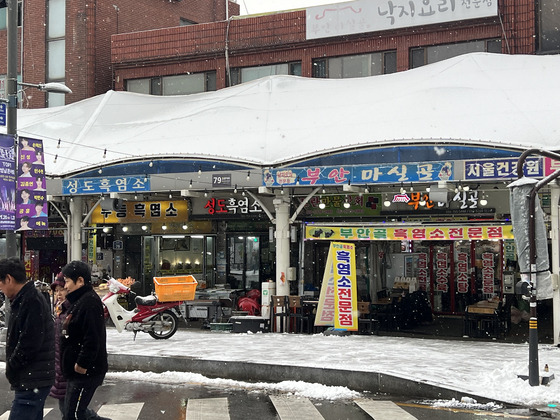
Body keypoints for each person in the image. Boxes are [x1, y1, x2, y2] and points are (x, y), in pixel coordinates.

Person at [0, 257, 55, 420]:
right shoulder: (25, 298)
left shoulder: (30, 300)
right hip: (33, 378)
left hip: (33, 379)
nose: (0, 289)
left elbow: (29, 343)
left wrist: (13, 366)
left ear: (9, 279)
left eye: (0, 283)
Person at [50, 274, 106, 420]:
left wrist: (80, 363)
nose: (60, 293)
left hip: (71, 369)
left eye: (64, 287)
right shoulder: (60, 310)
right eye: (56, 291)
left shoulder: (77, 307)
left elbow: (91, 339)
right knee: (72, 410)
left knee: (72, 411)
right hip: (62, 366)